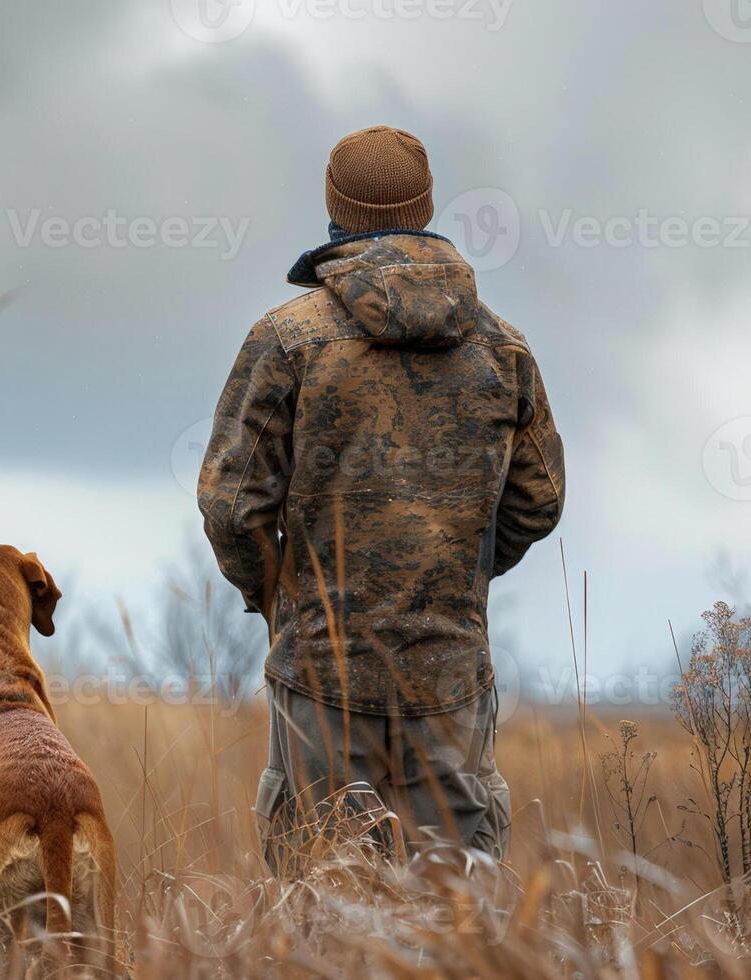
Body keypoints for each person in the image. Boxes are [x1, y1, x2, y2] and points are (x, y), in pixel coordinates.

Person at [197, 125, 565, 864]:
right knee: (457, 920)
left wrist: (279, 600)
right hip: (452, 680)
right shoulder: (503, 348)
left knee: (322, 913)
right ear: (425, 208)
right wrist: (457, 573)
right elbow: (540, 499)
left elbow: (230, 507)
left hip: (318, 676)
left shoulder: (286, 341)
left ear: (335, 208)